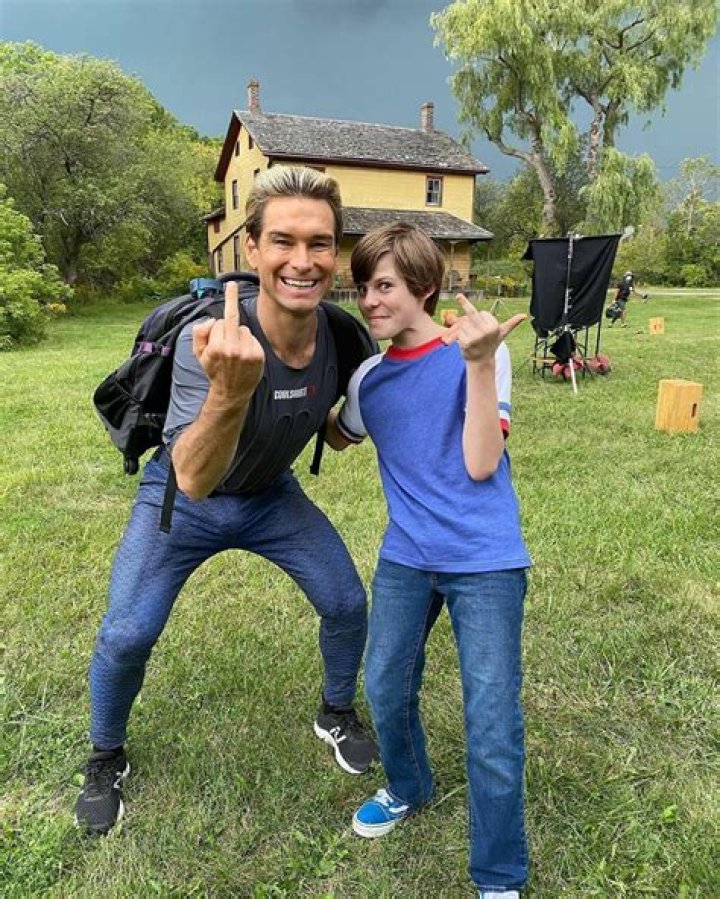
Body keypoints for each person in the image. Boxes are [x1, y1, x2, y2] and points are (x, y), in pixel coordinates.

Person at [75, 166, 378, 836]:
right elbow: (192, 477)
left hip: (271, 495)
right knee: (127, 633)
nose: (303, 260)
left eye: (320, 243)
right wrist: (232, 390)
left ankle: (335, 711)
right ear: (253, 248)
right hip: (183, 501)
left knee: (346, 602)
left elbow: (340, 424)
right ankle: (105, 755)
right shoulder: (208, 340)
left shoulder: (341, 335)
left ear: (337, 252)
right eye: (284, 241)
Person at [326, 223, 532, 898]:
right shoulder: (368, 381)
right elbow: (338, 431)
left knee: (491, 721)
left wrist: (479, 362)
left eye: (384, 285)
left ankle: (498, 875)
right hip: (407, 557)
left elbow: (481, 462)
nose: (369, 300)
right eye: (362, 286)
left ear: (423, 287)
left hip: (485, 559)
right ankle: (409, 786)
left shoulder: (480, 351)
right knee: (384, 685)